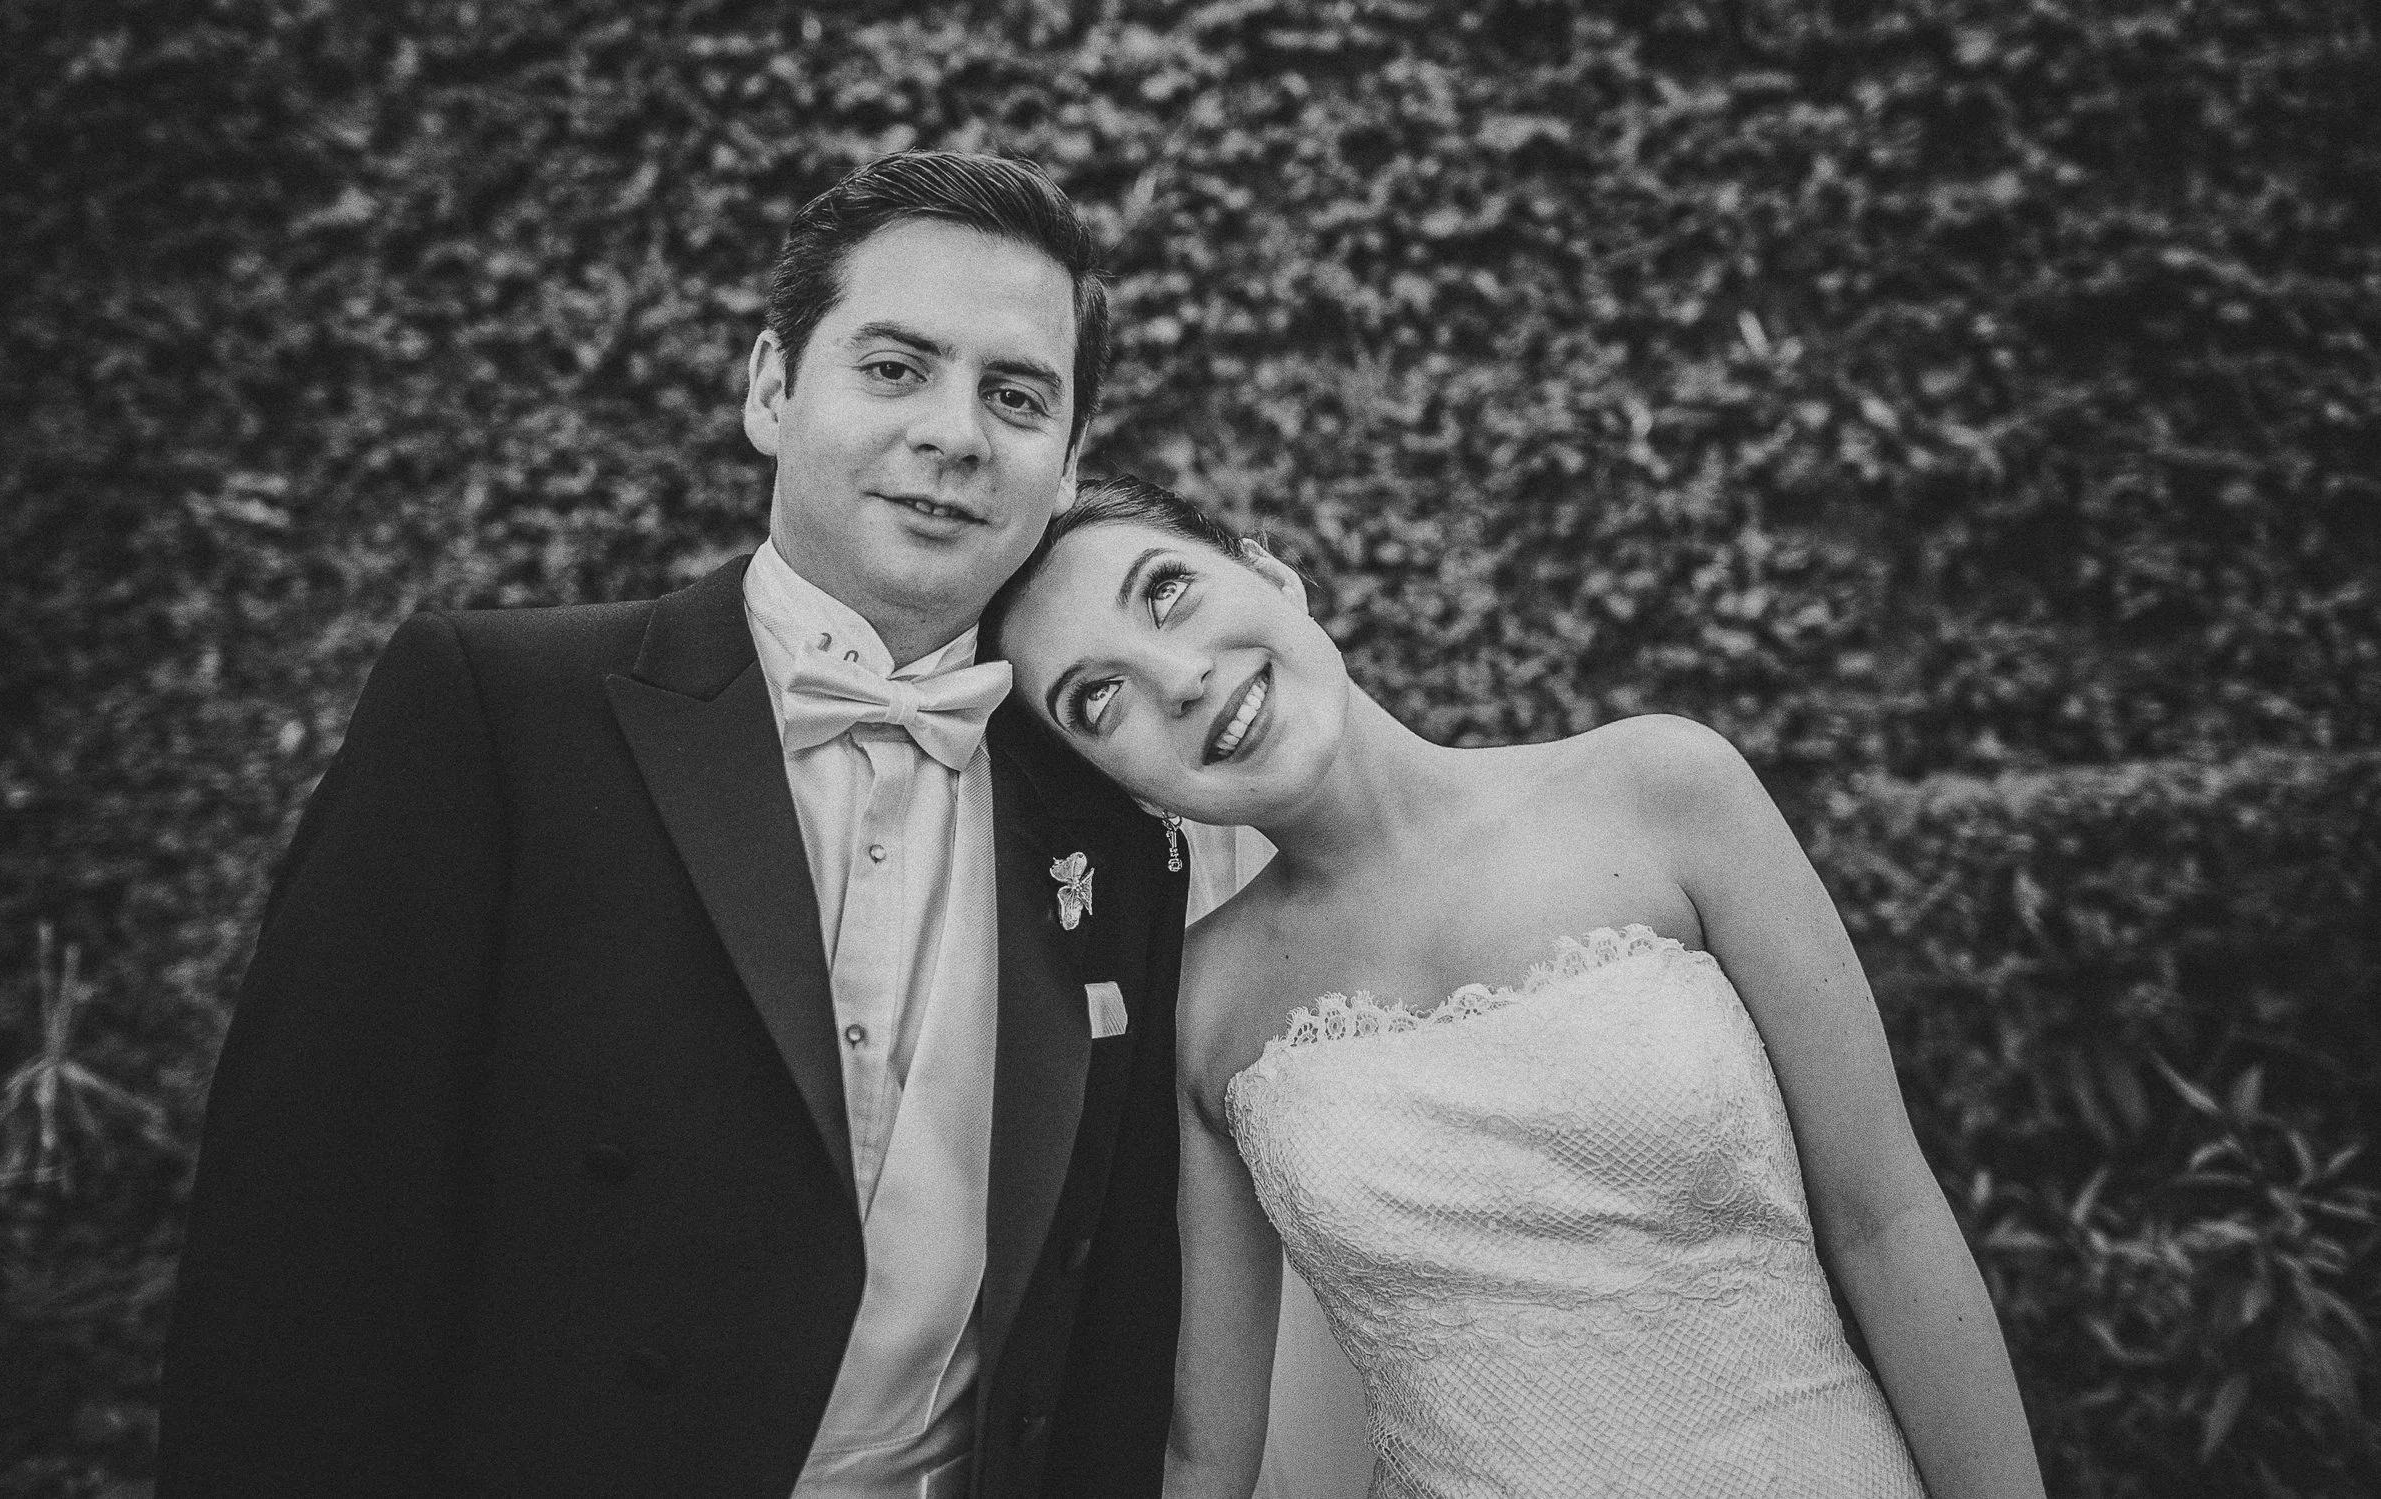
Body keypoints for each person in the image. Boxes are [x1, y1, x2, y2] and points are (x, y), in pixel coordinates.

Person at [158, 154, 1191, 1499]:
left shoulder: (1110, 826)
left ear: (1065, 468)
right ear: (771, 387)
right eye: (894, 366)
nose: (955, 432)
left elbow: (1109, 1300)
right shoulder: (498, 713)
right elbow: (301, 1243)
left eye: (1016, 394)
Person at [985, 476, 2049, 1499]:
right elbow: (1204, 1451)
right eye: (1099, 697)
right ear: (1114, 782)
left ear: (1271, 571)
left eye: (1165, 591)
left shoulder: (1660, 789)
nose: (1176, 678)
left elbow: (1884, 1217)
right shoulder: (1199, 1004)